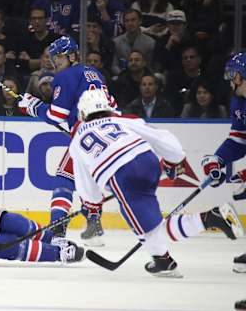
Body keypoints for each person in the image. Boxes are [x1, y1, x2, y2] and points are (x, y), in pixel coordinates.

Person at [70, 89, 243, 277]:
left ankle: (210, 218)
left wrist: (93, 202)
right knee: (137, 219)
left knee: (152, 230)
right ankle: (162, 260)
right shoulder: (124, 120)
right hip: (148, 161)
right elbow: (163, 138)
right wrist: (173, 160)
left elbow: (85, 184)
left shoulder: (77, 139)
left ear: (83, 113)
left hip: (122, 175)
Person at [17, 36, 116, 242]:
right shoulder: (95, 73)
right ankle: (94, 223)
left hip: (88, 132)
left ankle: (57, 225)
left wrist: (32, 106)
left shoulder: (65, 76)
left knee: (65, 177)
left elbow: (56, 115)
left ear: (72, 56)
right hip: (112, 132)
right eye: (54, 58)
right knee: (88, 178)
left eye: (60, 57)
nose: (56, 63)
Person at [201, 52, 246, 274]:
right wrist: (218, 159)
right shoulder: (239, 101)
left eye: (234, 75)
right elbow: (239, 139)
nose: (230, 80)